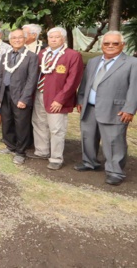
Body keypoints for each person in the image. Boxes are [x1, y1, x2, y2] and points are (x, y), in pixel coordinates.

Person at [75, 31, 137, 185]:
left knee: (113, 141)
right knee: (88, 136)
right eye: (106, 43)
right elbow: (85, 82)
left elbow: (135, 88)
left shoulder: (132, 63)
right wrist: (81, 98)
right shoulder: (94, 61)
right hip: (89, 107)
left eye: (115, 43)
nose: (110, 46)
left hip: (115, 109)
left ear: (123, 45)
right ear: (101, 45)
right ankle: (89, 162)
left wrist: (130, 109)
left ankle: (115, 171)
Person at [28, 27, 83, 170]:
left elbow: (73, 81)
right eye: (50, 37)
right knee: (39, 123)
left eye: (56, 37)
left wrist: (61, 99)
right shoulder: (43, 53)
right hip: (39, 94)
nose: (53, 39)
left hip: (56, 97)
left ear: (63, 39)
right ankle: (42, 151)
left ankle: (56, 158)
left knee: (56, 128)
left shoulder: (72, 55)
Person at [0, 29, 38, 165]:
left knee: (21, 124)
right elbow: (0, 77)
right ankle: (10, 145)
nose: (16, 40)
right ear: (10, 40)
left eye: (20, 37)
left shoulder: (31, 56)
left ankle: (20, 152)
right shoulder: (5, 56)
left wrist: (24, 99)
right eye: (13, 38)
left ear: (25, 39)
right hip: (5, 93)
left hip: (20, 95)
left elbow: (32, 80)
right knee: (7, 121)